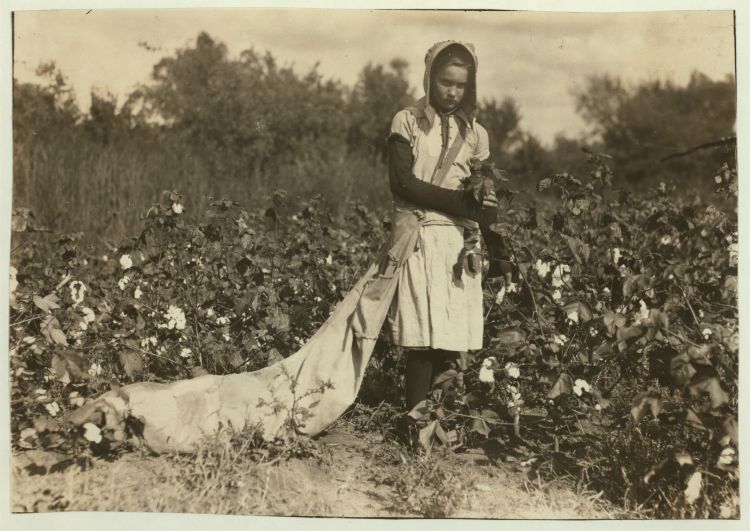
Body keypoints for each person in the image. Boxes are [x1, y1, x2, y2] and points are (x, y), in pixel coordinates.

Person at [385, 40, 513, 410]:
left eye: (460, 84)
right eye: (445, 82)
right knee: (421, 333)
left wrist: (501, 255)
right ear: (429, 79)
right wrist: (461, 203)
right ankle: (414, 421)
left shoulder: (476, 134)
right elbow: (402, 182)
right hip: (419, 235)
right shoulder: (407, 121)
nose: (452, 91)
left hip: (459, 243)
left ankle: (439, 420)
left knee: (450, 332)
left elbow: (484, 201)